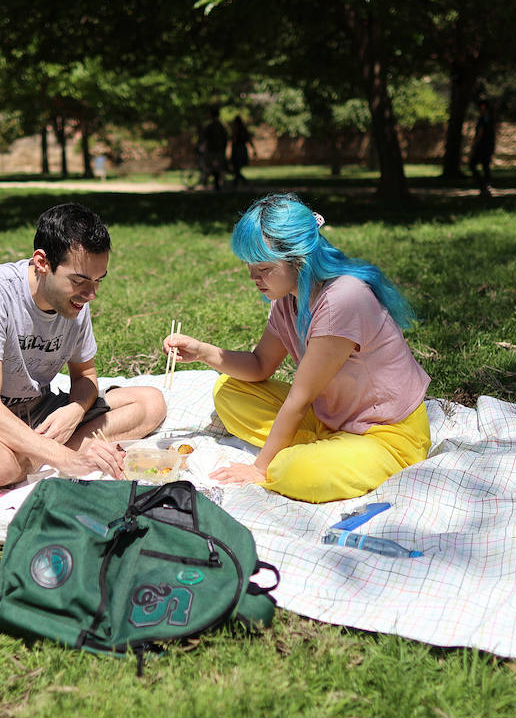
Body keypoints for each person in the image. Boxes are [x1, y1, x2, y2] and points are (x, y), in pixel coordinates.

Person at [163, 194, 432, 503]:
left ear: (299, 259)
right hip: (329, 417)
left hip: (386, 434)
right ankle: (325, 448)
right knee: (229, 391)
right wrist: (202, 351)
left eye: (263, 268)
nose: (252, 277)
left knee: (293, 472)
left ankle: (317, 454)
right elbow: (260, 365)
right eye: (249, 266)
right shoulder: (289, 298)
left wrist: (260, 469)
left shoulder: (342, 300)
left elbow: (299, 399)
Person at [0, 203, 166, 489]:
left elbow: (85, 376)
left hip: (36, 412)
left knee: (150, 402)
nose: (91, 294)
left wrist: (76, 410)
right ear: (42, 262)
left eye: (98, 281)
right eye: (80, 280)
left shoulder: (75, 301)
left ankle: (36, 454)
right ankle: (62, 453)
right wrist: (63, 458)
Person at [468, 99, 497, 196]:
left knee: (472, 165)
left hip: (481, 147)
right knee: (486, 166)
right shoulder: (490, 119)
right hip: (489, 146)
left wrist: (474, 146)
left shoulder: (483, 119)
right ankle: (487, 186)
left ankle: (483, 186)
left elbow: (480, 134)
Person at [196, 107, 229, 191]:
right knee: (215, 168)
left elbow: (203, 138)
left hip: (212, 151)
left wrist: (198, 146)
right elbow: (225, 138)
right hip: (218, 151)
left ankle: (211, 183)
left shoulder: (210, 126)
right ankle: (214, 184)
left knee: (212, 167)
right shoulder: (221, 126)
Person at [228, 116, 254, 189]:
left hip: (238, 151)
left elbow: (246, 140)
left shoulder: (239, 131)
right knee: (236, 169)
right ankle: (237, 184)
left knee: (236, 169)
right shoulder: (240, 130)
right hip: (239, 150)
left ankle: (238, 184)